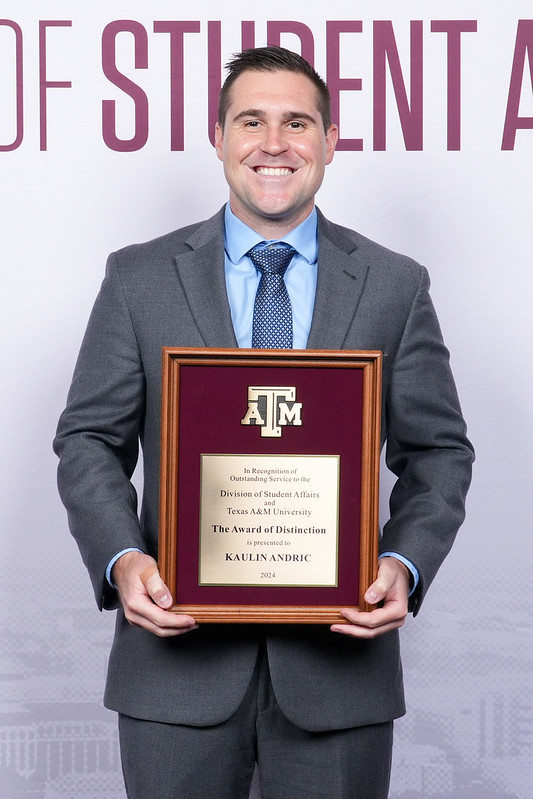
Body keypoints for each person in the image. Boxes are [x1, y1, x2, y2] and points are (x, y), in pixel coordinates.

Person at [54, 46, 473, 798]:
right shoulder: (138, 276)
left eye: (297, 122)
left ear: (329, 141)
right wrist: (122, 557)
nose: (273, 143)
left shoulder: (394, 284)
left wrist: (402, 564)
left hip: (338, 676)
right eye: (251, 120)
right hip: (173, 676)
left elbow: (438, 450)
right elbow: (88, 439)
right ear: (219, 138)